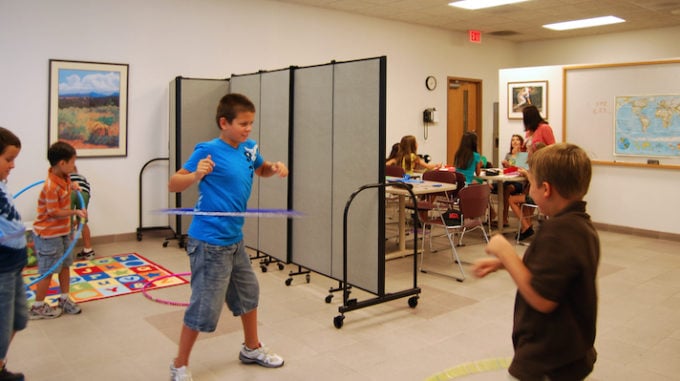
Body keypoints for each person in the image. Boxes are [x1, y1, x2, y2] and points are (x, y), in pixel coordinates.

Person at [168, 93, 288, 381]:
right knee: (204, 307)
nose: (248, 129)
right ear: (224, 122)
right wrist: (196, 174)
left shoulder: (248, 148)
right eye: (243, 124)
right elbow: (174, 183)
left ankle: (251, 348)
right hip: (209, 242)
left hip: (234, 240)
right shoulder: (207, 149)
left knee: (249, 294)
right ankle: (179, 364)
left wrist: (273, 168)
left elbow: (259, 169)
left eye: (251, 124)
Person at [473, 143, 599, 381]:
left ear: (547, 189)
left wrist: (505, 251)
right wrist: (505, 263)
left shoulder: (559, 232)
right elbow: (557, 270)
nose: (529, 191)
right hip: (571, 355)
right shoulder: (580, 226)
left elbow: (542, 299)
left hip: (546, 359)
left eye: (531, 184)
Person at [30, 142, 86, 319]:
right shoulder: (50, 187)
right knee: (48, 270)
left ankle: (64, 299)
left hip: (62, 232)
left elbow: (67, 189)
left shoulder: (65, 179)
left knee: (65, 266)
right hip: (48, 234)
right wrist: (75, 211)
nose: (74, 165)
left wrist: (74, 187)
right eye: (72, 161)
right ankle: (37, 306)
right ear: (62, 163)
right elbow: (53, 212)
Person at [0, 127, 28, 381]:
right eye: (8, 159)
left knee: (19, 319)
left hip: (16, 264)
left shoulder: (2, 185)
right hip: (2, 266)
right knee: (2, 326)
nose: (13, 165)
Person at [489, 134, 526, 227]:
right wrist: (506, 165)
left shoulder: (523, 155)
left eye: (517, 140)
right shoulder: (509, 155)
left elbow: (518, 170)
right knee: (488, 187)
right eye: (513, 140)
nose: (515, 142)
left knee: (507, 189)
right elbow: (507, 171)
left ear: (521, 142)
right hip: (507, 180)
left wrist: (510, 163)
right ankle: (491, 215)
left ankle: (504, 218)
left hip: (518, 182)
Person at [70, 167, 93, 260]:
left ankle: (68, 252)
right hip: (84, 193)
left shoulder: (65, 177)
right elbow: (88, 190)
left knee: (67, 222)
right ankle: (88, 250)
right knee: (82, 222)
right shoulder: (82, 177)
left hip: (70, 191)